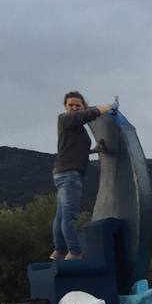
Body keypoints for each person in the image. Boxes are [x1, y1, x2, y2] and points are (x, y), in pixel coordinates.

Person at [52, 91, 112, 260]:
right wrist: (107, 107)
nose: (74, 108)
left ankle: (59, 251)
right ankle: (75, 252)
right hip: (69, 175)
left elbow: (76, 149)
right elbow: (86, 116)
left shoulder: (75, 128)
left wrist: (95, 150)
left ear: (82, 106)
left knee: (61, 215)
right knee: (69, 215)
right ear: (65, 107)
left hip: (64, 172)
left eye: (77, 105)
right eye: (71, 105)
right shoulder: (65, 119)